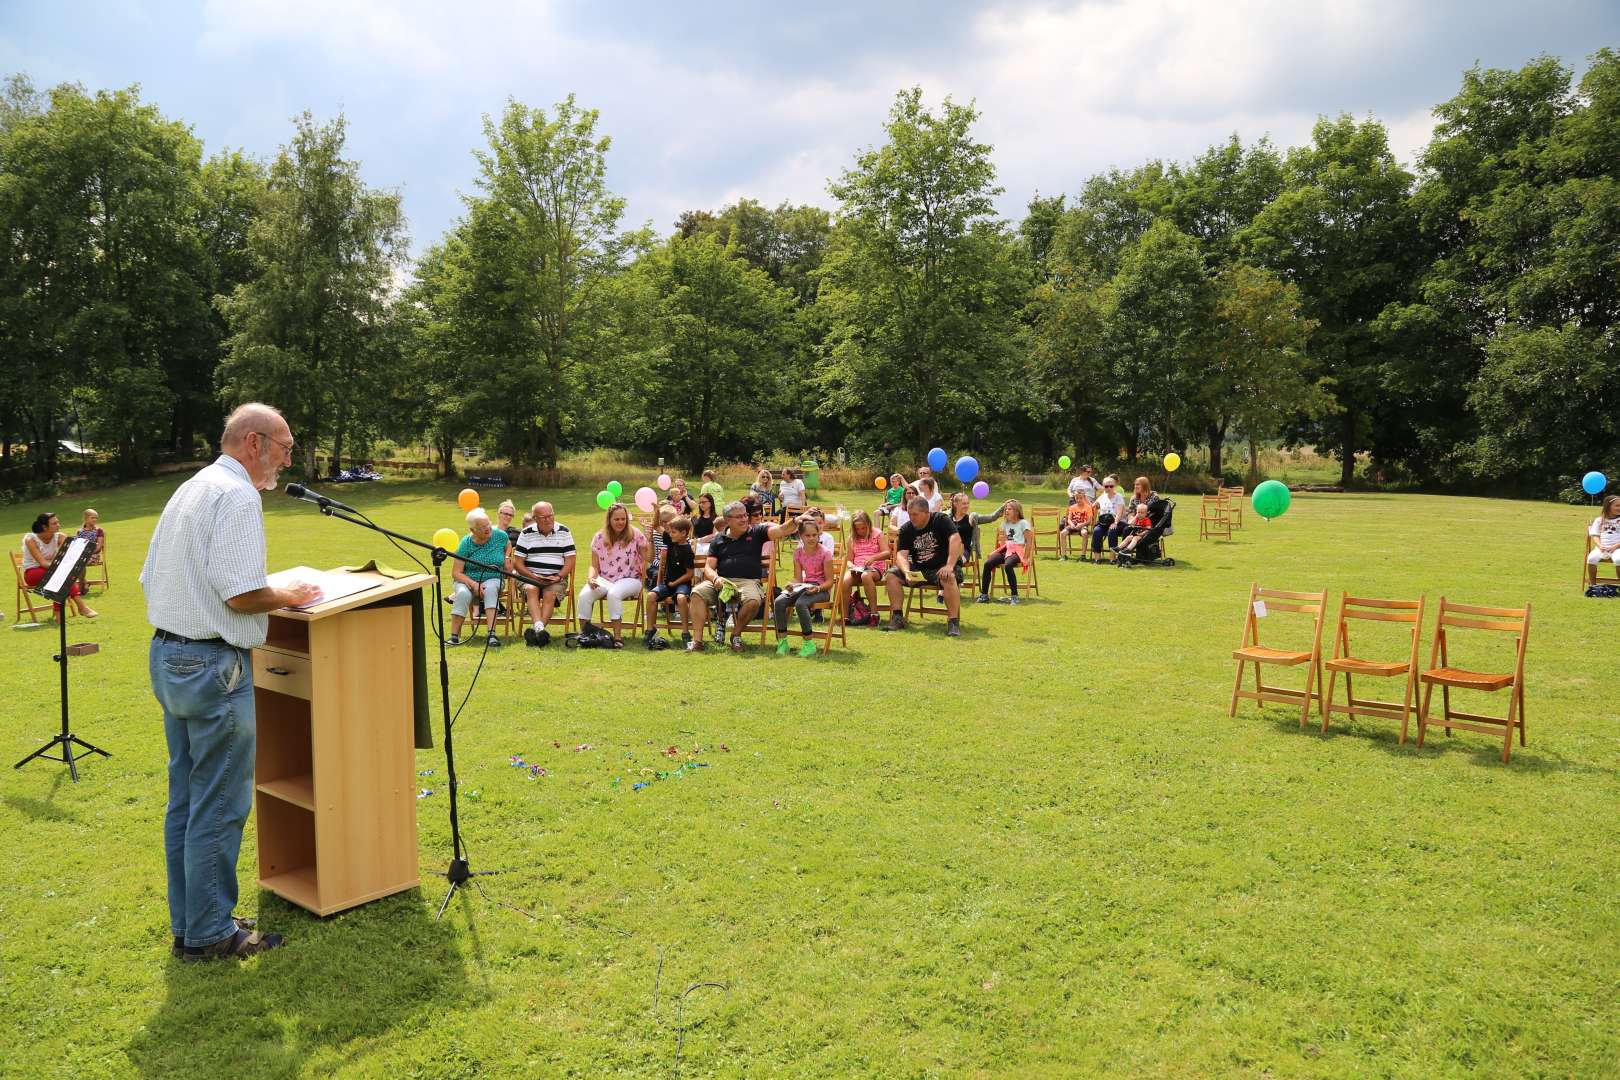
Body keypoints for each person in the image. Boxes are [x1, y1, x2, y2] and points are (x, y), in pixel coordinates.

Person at [141, 401, 321, 960]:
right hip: (213, 665)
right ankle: (211, 934)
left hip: (171, 657)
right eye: (286, 448)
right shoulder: (238, 495)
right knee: (218, 803)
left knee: (189, 802)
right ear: (254, 443)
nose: (287, 461)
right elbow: (241, 594)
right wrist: (287, 595)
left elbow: (150, 574)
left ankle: (194, 921)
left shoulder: (193, 487)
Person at [687, 500, 802, 652]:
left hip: (748, 582)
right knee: (697, 593)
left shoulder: (757, 532)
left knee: (754, 601)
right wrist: (715, 579)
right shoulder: (718, 539)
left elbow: (781, 530)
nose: (744, 519)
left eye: (745, 515)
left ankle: (736, 635)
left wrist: (796, 520)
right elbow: (708, 567)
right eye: (739, 517)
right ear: (728, 520)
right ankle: (697, 641)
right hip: (722, 581)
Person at [882, 496, 963, 636]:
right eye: (909, 514)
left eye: (915, 514)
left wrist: (949, 565)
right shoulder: (906, 529)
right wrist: (906, 571)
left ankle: (953, 622)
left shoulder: (941, 520)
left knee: (948, 576)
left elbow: (956, 539)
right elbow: (901, 555)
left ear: (926, 512)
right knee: (891, 575)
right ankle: (897, 617)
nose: (911, 517)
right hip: (920, 569)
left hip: (942, 567)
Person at [577, 503, 649, 647]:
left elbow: (648, 558)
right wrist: (591, 578)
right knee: (584, 595)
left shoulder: (635, 534)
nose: (621, 522)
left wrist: (650, 540)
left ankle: (617, 638)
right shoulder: (599, 537)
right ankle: (584, 635)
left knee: (614, 594)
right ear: (609, 519)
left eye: (623, 519)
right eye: (617, 519)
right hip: (605, 579)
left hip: (631, 579)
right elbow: (594, 565)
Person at [513, 501, 575, 647]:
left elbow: (570, 560)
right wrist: (534, 577)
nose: (548, 520)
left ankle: (537, 631)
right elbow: (518, 563)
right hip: (530, 576)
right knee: (531, 589)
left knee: (550, 594)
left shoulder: (564, 531)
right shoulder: (526, 533)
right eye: (543, 517)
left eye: (550, 516)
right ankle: (540, 631)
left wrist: (559, 576)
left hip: (556, 578)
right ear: (535, 519)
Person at [773, 515, 835, 657]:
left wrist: (818, 588)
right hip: (803, 587)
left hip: (821, 590)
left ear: (819, 534)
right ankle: (783, 643)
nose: (811, 538)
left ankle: (809, 644)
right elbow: (798, 578)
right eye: (807, 535)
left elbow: (830, 581)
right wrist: (791, 584)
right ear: (800, 536)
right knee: (779, 601)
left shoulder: (825, 553)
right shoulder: (798, 553)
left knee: (801, 604)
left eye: (814, 535)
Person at [449, 508, 510, 647]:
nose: (488, 529)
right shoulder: (466, 543)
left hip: (493, 576)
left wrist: (506, 557)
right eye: (482, 527)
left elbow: (508, 545)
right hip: (467, 579)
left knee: (490, 589)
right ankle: (454, 636)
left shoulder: (500, 536)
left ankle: (492, 634)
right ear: (473, 530)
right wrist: (473, 584)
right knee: (463, 594)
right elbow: (456, 572)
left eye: (488, 524)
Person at [21, 513, 98, 620]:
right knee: (61, 576)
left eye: (58, 522)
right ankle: (82, 607)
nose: (58, 525)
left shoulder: (61, 537)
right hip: (33, 573)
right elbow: (43, 563)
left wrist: (61, 566)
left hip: (53, 572)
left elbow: (67, 558)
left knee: (60, 577)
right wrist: (59, 566)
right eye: (54, 523)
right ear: (44, 527)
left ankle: (59, 615)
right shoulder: (30, 539)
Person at [644, 515, 695, 648]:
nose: (670, 534)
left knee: (681, 598)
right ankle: (650, 630)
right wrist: (656, 511)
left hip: (682, 584)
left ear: (683, 533)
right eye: (670, 532)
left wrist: (675, 583)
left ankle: (685, 632)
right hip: (667, 584)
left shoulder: (688, 550)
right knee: (651, 596)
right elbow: (656, 526)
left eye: (673, 532)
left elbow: (690, 574)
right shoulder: (670, 541)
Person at [977, 499, 1031, 604]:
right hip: (1006, 549)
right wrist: (1002, 543)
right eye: (1006, 509)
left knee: (1008, 565)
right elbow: (1003, 542)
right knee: (988, 564)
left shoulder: (1023, 523)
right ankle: (984, 595)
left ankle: (1014, 596)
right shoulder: (1005, 524)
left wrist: (1026, 558)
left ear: (1016, 511)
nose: (1006, 510)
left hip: (1017, 551)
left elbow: (1029, 542)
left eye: (1009, 509)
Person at [843, 510, 889, 625]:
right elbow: (848, 559)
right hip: (857, 568)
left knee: (866, 576)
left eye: (863, 528)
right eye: (857, 529)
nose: (860, 531)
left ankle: (874, 614)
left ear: (868, 524)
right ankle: (845, 616)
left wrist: (873, 558)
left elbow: (887, 552)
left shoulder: (877, 534)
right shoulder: (851, 538)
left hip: (875, 567)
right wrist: (851, 566)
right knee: (844, 581)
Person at [950, 492, 1007, 572]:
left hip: (963, 552)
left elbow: (991, 517)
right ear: (955, 504)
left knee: (954, 562)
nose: (966, 506)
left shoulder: (971, 518)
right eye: (963, 504)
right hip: (948, 550)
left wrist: (1003, 507)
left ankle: (957, 580)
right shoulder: (948, 519)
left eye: (967, 503)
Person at [1090, 475, 1127, 558]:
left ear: (1114, 486)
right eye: (1106, 486)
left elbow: (1119, 513)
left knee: (1112, 530)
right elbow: (1092, 506)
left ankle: (1112, 558)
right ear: (1103, 487)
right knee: (1096, 531)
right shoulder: (1102, 497)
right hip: (1103, 522)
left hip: (1118, 522)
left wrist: (1115, 523)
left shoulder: (1119, 497)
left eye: (1111, 486)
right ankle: (1097, 558)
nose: (1109, 488)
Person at [1588, 495, 1620, 585]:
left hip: (1617, 548)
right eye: (1617, 506)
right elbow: (1595, 535)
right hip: (1601, 548)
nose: (1619, 508)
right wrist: (1600, 546)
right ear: (1608, 506)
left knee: (1618, 560)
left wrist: (1616, 546)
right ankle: (1593, 585)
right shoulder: (1599, 520)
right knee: (1591, 558)